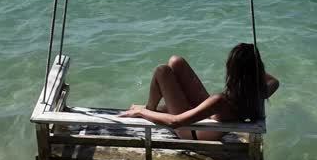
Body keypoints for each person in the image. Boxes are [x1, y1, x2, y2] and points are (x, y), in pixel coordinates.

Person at [118, 43, 279, 140]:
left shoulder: (221, 101)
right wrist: (253, 68)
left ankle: (149, 109)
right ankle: (155, 109)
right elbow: (274, 81)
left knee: (162, 71)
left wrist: (141, 112)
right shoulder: (259, 92)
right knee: (176, 61)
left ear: (232, 69)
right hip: (208, 117)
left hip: (191, 133)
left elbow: (175, 122)